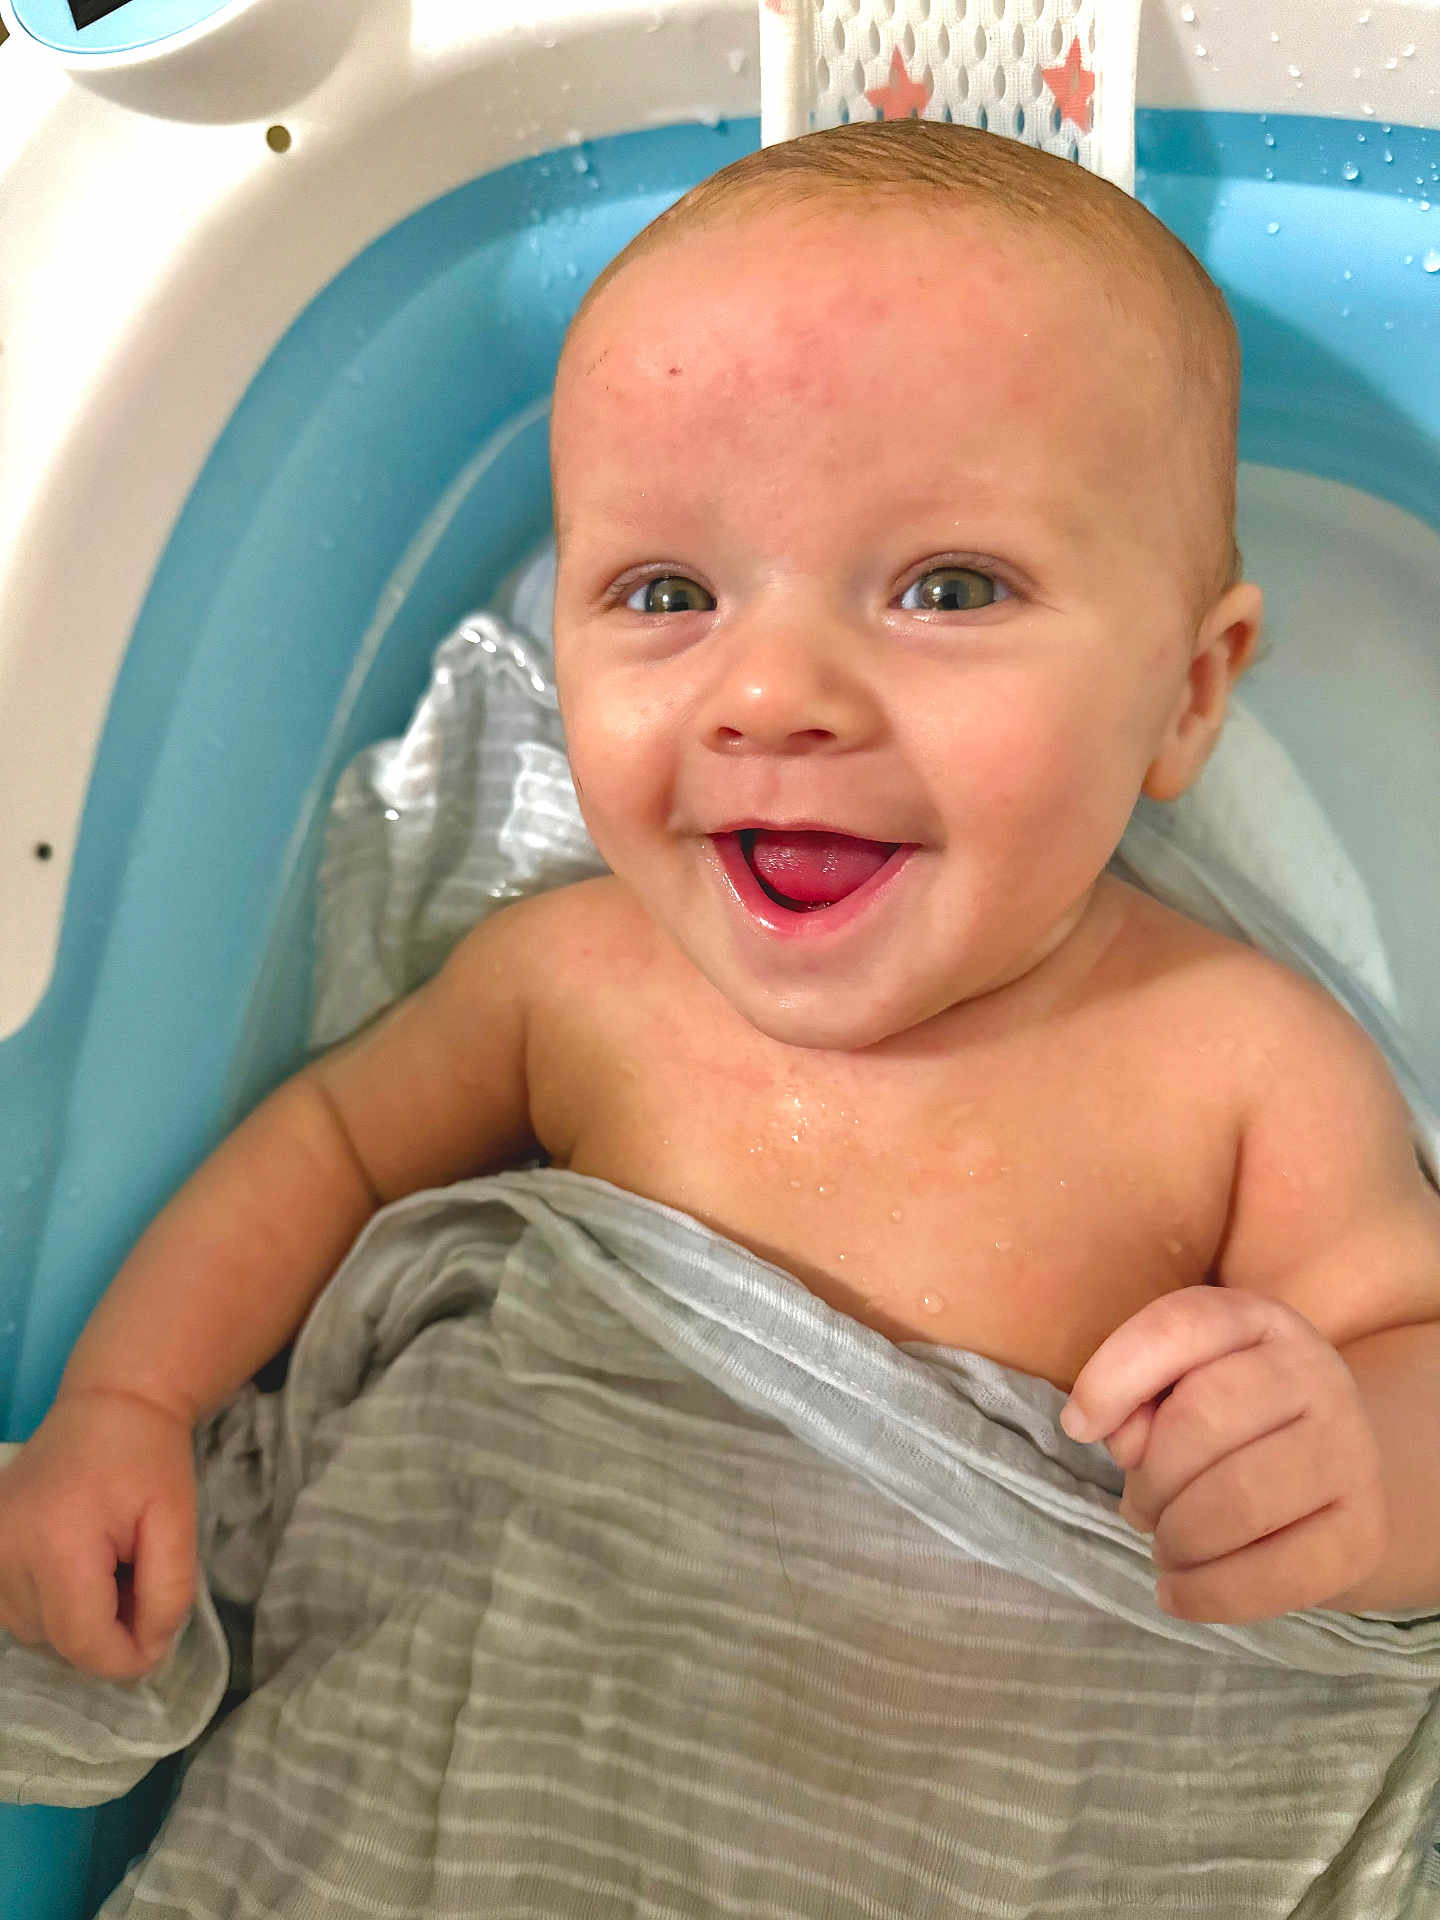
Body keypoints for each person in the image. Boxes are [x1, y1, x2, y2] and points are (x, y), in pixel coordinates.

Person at [2, 119, 1438, 1685]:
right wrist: (125, 1407)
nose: (772, 694)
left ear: (1187, 693)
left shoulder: (1235, 1061)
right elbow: (327, 1150)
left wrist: (1355, 1466)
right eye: (667, 595)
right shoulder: (570, 980)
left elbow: (1409, 1356)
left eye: (948, 588)